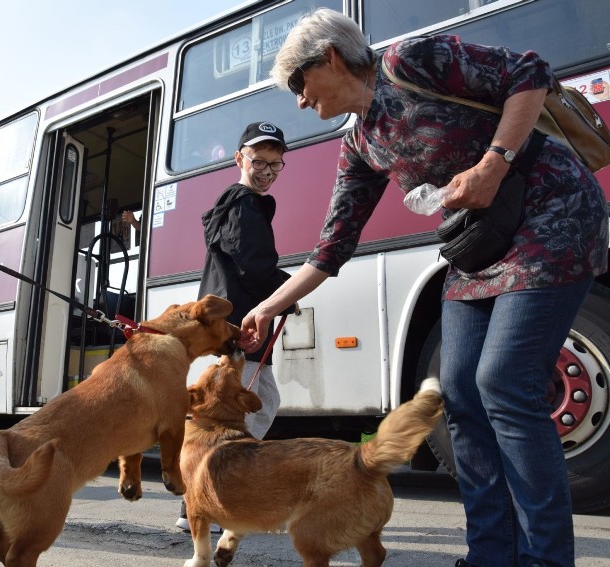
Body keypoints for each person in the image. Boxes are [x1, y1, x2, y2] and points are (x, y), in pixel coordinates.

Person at [240, 9, 608, 567]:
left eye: (299, 83)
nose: (298, 101)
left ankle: (546, 559)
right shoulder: (361, 142)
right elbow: (333, 247)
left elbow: (528, 72)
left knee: (504, 382)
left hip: (550, 217)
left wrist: (492, 163)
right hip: (479, 251)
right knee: (458, 390)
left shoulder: (408, 61)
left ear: (332, 59)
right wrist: (267, 308)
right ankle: (490, 555)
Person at [176, 121, 296, 533]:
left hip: (231, 320)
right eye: (259, 161)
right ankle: (211, 492)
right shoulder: (244, 204)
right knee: (250, 407)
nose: (266, 171)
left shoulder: (233, 204)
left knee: (230, 407)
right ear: (239, 159)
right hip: (244, 321)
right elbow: (255, 263)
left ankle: (201, 493)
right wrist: (289, 292)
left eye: (275, 165)